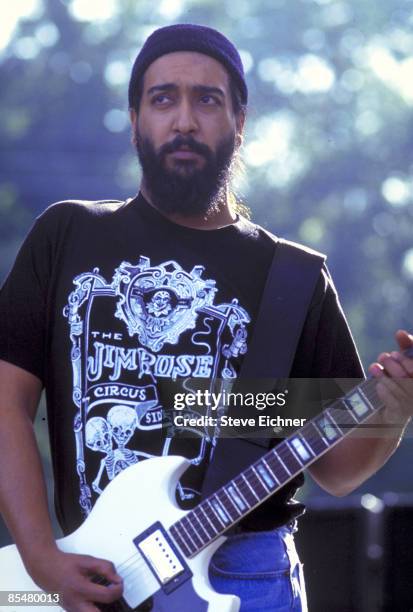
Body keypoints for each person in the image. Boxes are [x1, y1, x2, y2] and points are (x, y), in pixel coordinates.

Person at [0, 23, 412, 612]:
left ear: (240, 122)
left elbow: (336, 472)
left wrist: (394, 411)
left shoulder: (293, 280)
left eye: (208, 100)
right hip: (83, 572)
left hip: (246, 578)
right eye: (163, 98)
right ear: (136, 117)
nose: (184, 120)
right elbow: (5, 403)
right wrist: (40, 560)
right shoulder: (68, 235)